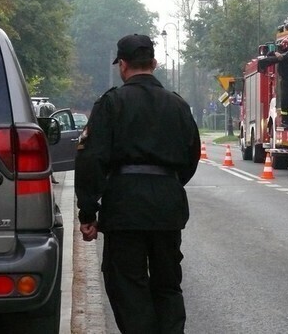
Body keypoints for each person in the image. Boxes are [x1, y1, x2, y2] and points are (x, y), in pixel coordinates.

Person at [75, 33, 200, 334]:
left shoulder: (111, 104)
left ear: (123, 65)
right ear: (154, 63)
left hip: (125, 208)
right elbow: (192, 155)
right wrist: (168, 184)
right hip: (167, 207)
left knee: (127, 285)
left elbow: (92, 159)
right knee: (168, 285)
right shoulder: (178, 105)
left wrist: (88, 212)